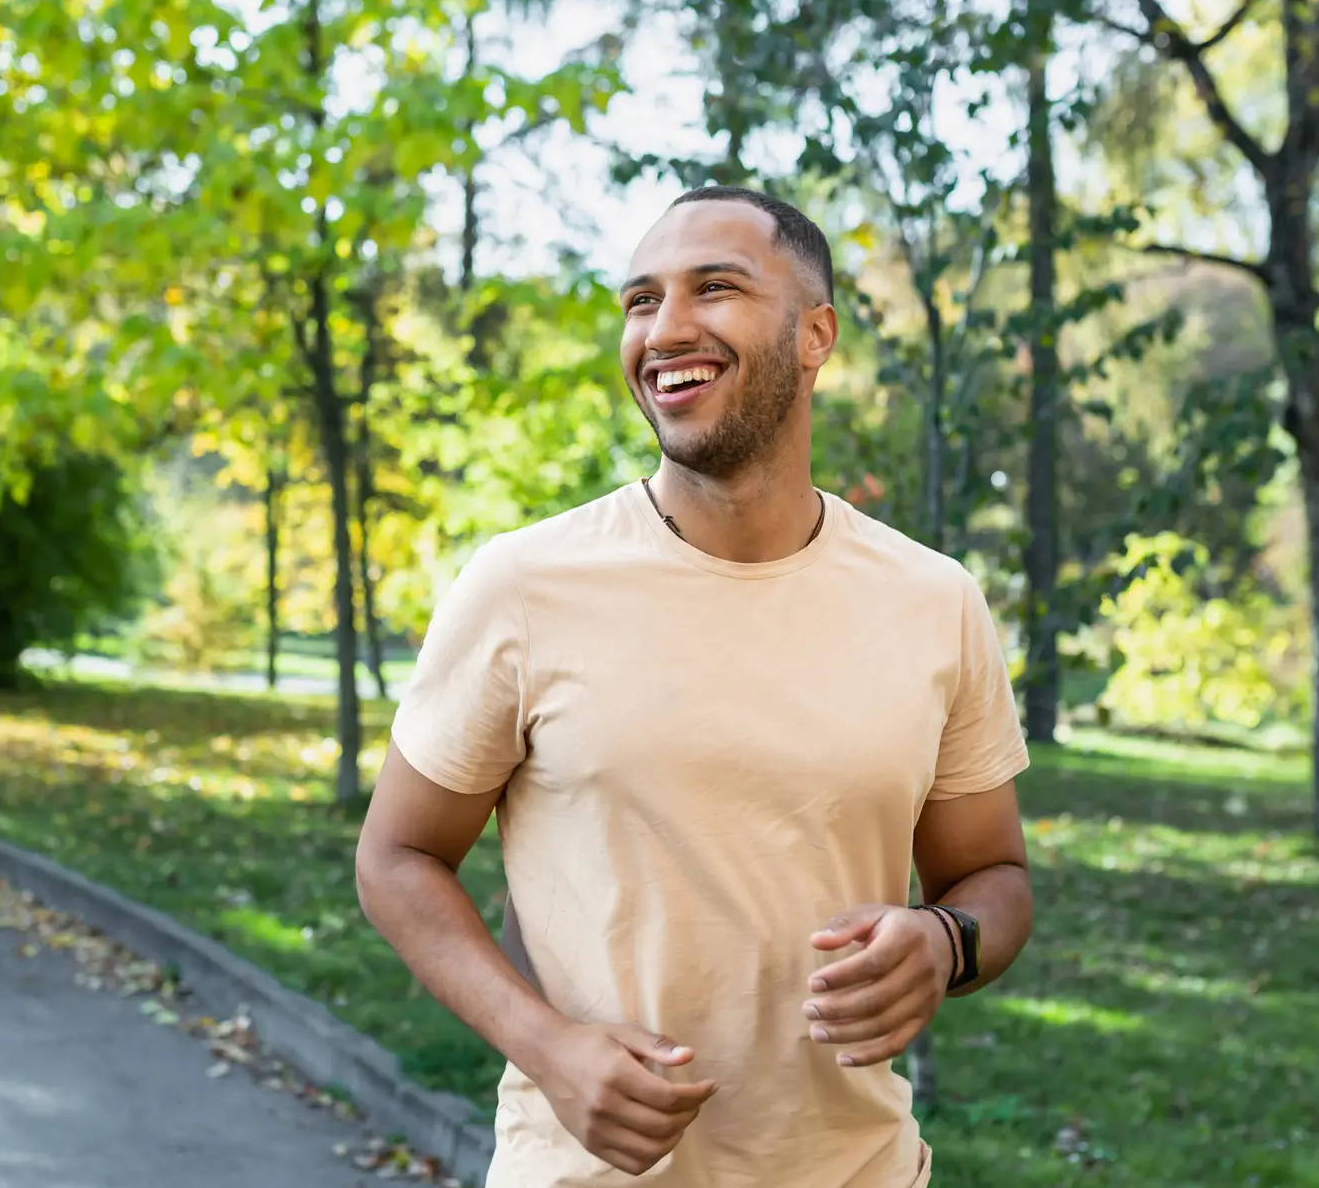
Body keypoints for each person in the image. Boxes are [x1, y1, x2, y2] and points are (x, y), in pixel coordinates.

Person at [354, 185, 1034, 1188]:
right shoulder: (524, 584)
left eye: (713, 289)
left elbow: (996, 878)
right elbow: (397, 857)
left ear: (815, 336)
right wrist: (548, 1046)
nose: (665, 329)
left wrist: (944, 940)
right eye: (640, 301)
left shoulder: (935, 599)